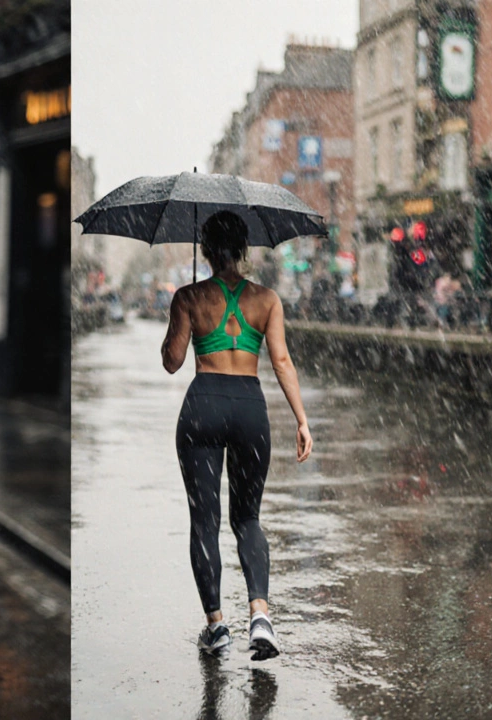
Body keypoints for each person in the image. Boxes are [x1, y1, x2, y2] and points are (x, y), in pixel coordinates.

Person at [161, 211, 314, 661]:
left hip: (203, 404)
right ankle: (260, 616)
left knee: (204, 521)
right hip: (250, 407)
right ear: (245, 250)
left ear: (206, 251)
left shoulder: (188, 297)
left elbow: (172, 362)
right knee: (247, 519)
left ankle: (216, 625)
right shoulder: (267, 300)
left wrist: (183, 310)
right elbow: (283, 363)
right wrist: (302, 421)